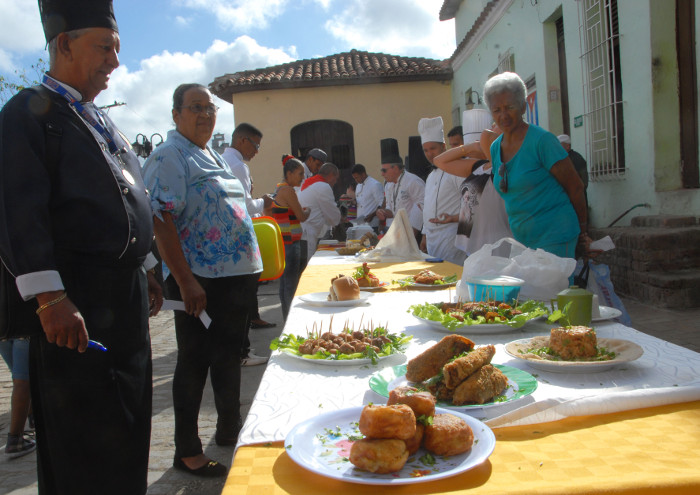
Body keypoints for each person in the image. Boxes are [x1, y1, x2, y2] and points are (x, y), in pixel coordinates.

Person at [0, 1, 162, 492]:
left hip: (125, 295)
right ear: (63, 43)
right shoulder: (25, 116)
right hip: (76, 302)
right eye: (104, 47)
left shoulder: (99, 120)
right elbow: (16, 211)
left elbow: (130, 198)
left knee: (129, 419)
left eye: (116, 49)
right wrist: (50, 297)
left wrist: (150, 267)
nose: (114, 60)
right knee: (83, 439)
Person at [142, 83, 262, 477]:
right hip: (199, 281)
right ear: (176, 114)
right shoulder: (169, 156)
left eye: (210, 109)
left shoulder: (210, 154)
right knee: (193, 362)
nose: (205, 115)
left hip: (233, 279)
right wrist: (185, 280)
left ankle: (230, 428)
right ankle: (187, 450)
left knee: (228, 357)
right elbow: (161, 221)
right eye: (195, 108)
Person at [484, 72, 590, 258]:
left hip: (555, 235)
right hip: (522, 239)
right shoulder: (495, 147)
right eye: (497, 110)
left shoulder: (542, 141)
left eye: (510, 107)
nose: (504, 115)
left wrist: (582, 231)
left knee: (554, 288)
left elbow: (576, 187)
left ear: (523, 107)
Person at [221, 123, 276, 360]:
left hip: (227, 239)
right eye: (255, 145)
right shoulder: (237, 166)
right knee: (243, 299)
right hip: (240, 237)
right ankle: (241, 352)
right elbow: (242, 205)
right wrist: (263, 202)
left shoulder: (222, 160)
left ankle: (237, 351)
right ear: (242, 141)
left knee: (236, 301)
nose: (256, 151)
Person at [433, 111, 512, 255]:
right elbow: (439, 161)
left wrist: (481, 143)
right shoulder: (478, 167)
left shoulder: (503, 167)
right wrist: (468, 147)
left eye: (496, 125)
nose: (492, 127)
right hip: (474, 244)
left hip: (496, 245)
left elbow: (486, 136)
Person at [418, 116, 466, 265]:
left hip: (451, 236)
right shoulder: (431, 176)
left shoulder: (456, 170)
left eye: (433, 148)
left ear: (443, 146)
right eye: (425, 150)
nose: (429, 154)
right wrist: (424, 235)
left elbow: (471, 203)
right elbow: (428, 206)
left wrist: (454, 218)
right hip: (432, 237)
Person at [272, 156, 311, 320]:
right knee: (291, 285)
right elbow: (301, 216)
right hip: (290, 243)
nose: (303, 178)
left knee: (284, 285)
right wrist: (307, 210)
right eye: (300, 174)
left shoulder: (279, 189)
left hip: (283, 243)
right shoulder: (288, 191)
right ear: (289, 173)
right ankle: (291, 320)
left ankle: (286, 318)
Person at [375, 138, 425, 235]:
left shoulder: (413, 181)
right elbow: (391, 208)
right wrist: (383, 212)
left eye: (384, 170)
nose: (382, 174)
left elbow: (421, 206)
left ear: (396, 168)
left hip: (412, 233)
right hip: (395, 231)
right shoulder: (388, 184)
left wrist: (411, 234)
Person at [299, 162, 342, 261]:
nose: (335, 182)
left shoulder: (310, 182)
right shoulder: (322, 186)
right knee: (308, 266)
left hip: (304, 231)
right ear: (331, 175)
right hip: (308, 233)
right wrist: (339, 219)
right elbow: (332, 213)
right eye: (335, 179)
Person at [0, 339, 35, 458]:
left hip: (4, 329)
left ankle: (32, 415)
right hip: (24, 330)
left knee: (19, 375)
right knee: (23, 380)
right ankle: (15, 440)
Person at [558, 134, 589, 206]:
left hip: (576, 198)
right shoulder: (562, 158)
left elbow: (583, 181)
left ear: (568, 146)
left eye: (560, 145)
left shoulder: (576, 158)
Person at [351, 163, 384, 229]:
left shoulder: (375, 185)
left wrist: (372, 215)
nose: (356, 180)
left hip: (372, 224)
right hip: (360, 225)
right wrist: (353, 202)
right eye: (354, 178)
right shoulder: (358, 186)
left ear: (363, 174)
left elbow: (382, 205)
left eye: (357, 177)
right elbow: (361, 202)